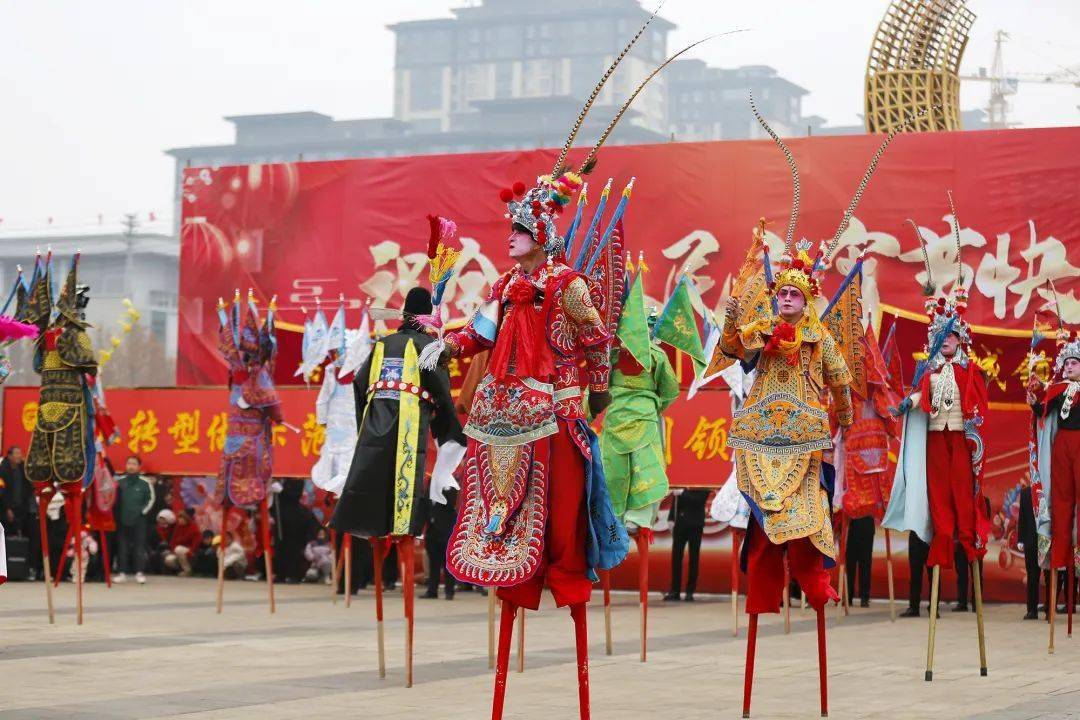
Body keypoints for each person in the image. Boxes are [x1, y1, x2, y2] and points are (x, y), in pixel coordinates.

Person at [1030, 331, 1080, 624]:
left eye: (1075, 362)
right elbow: (1042, 409)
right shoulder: (1058, 388)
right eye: (1068, 362)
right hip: (1062, 446)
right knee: (1062, 503)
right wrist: (1033, 400)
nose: (1070, 367)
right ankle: (1060, 556)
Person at [0, 446, 42, 580]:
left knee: (30, 536)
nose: (19, 456)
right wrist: (7, 509)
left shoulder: (23, 469)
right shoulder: (3, 469)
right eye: (16, 453)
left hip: (22, 509)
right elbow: (2, 493)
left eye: (20, 453)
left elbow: (30, 488)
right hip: (6, 510)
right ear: (9, 456)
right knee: (5, 540)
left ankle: (27, 569)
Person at [114, 455, 154, 584]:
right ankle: (122, 572)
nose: (131, 466)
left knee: (139, 547)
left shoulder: (145, 482)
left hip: (139, 520)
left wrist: (142, 512)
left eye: (134, 464)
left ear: (139, 467)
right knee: (122, 546)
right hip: (122, 519)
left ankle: (139, 572)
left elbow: (151, 499)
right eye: (129, 463)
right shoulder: (120, 482)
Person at [665, 488, 710, 602]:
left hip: (696, 525)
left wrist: (683, 493)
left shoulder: (704, 482)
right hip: (680, 524)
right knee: (676, 558)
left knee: (693, 559)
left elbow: (699, 501)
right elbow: (676, 501)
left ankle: (690, 592)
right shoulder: (684, 482)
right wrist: (671, 518)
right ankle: (675, 591)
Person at [422, 487, 457, 599]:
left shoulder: (450, 485)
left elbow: (451, 502)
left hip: (446, 530)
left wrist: (442, 488)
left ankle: (449, 591)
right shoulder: (431, 484)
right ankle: (432, 590)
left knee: (447, 563)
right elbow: (424, 505)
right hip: (432, 531)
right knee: (433, 563)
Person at [845, 516, 876, 607]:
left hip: (867, 526)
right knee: (850, 564)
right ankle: (848, 597)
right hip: (852, 526)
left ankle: (864, 598)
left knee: (865, 564)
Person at [162, 509, 201, 576]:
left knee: (178, 549)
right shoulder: (178, 527)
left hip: (190, 551)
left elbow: (196, 541)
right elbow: (173, 541)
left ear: (186, 519)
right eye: (179, 518)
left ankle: (187, 571)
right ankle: (180, 569)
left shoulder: (193, 527)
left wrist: (191, 551)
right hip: (178, 552)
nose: (179, 520)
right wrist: (172, 550)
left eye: (181, 518)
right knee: (168, 560)